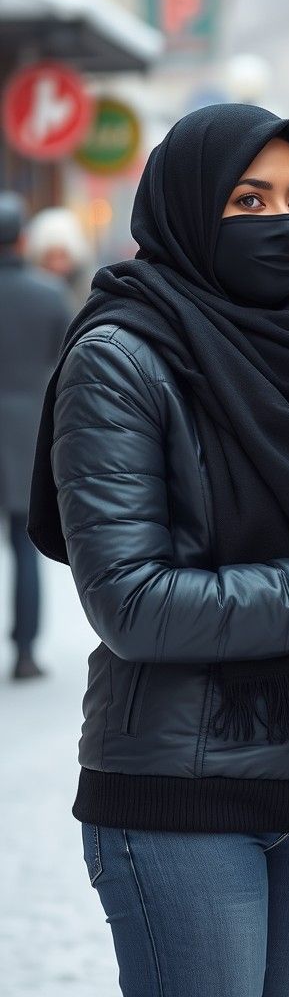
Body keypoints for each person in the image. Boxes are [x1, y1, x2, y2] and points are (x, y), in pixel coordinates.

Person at [27, 104, 289, 997]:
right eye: (247, 199)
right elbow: (135, 605)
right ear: (190, 210)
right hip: (179, 795)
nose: (282, 224)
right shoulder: (124, 358)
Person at [0, 192, 72, 679]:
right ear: (23, 238)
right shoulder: (48, 295)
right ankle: (25, 653)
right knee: (25, 549)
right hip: (27, 437)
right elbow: (68, 366)